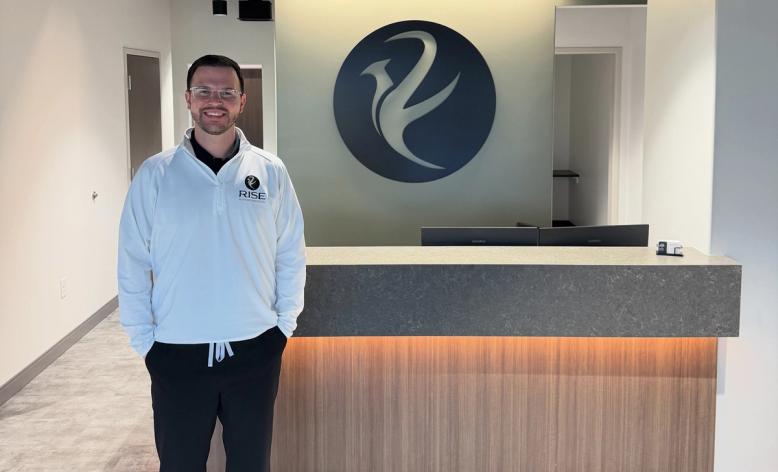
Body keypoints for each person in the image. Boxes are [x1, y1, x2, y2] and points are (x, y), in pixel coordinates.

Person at [117, 54, 305, 472]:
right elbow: (131, 262)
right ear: (188, 98)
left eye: (225, 92)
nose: (214, 101)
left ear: (241, 100)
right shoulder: (156, 175)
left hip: (255, 348)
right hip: (175, 352)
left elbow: (290, 251)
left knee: (251, 464)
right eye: (204, 91)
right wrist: (144, 342)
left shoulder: (270, 172)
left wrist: (283, 326)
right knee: (181, 464)